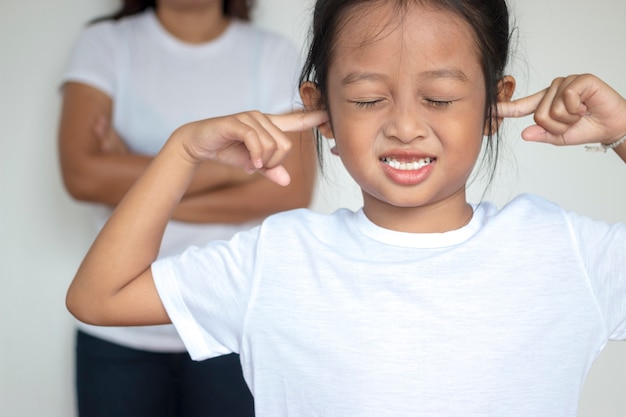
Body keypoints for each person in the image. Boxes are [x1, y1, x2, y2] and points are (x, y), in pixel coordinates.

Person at [66, 0, 626, 415]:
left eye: (440, 98)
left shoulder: (562, 251)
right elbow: (98, 297)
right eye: (366, 99)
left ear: (493, 105)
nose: (405, 126)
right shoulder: (279, 259)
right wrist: (182, 151)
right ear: (322, 111)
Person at [58, 0, 316, 416]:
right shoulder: (106, 43)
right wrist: (233, 168)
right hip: (117, 333)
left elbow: (287, 192)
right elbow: (82, 176)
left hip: (231, 327)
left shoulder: (273, 52)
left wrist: (142, 193)